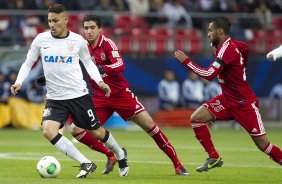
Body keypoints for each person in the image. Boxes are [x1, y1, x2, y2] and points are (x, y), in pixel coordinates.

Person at [10, 3, 129, 178]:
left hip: (78, 95)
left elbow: (88, 63)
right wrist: (18, 81)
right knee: (48, 131)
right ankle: (85, 162)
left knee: (97, 131)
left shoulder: (77, 41)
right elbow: (28, 63)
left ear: (65, 20)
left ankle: (120, 153)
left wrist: (100, 82)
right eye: (50, 21)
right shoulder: (41, 40)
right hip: (55, 98)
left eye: (56, 20)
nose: (52, 24)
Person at [69, 14, 188, 175]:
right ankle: (112, 155)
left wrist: (105, 68)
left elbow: (120, 65)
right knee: (76, 129)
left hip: (121, 95)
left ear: (100, 29)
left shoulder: (108, 44)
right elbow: (69, 62)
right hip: (100, 98)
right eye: (86, 28)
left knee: (151, 127)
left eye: (92, 28)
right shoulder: (82, 46)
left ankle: (178, 165)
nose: (89, 31)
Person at [174, 16, 282, 172]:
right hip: (227, 99)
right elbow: (245, 48)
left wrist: (187, 62)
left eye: (210, 30)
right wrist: (241, 65)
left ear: (220, 31)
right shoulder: (228, 46)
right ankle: (214, 157)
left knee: (263, 144)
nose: (208, 34)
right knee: (197, 118)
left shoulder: (228, 49)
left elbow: (209, 74)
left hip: (243, 103)